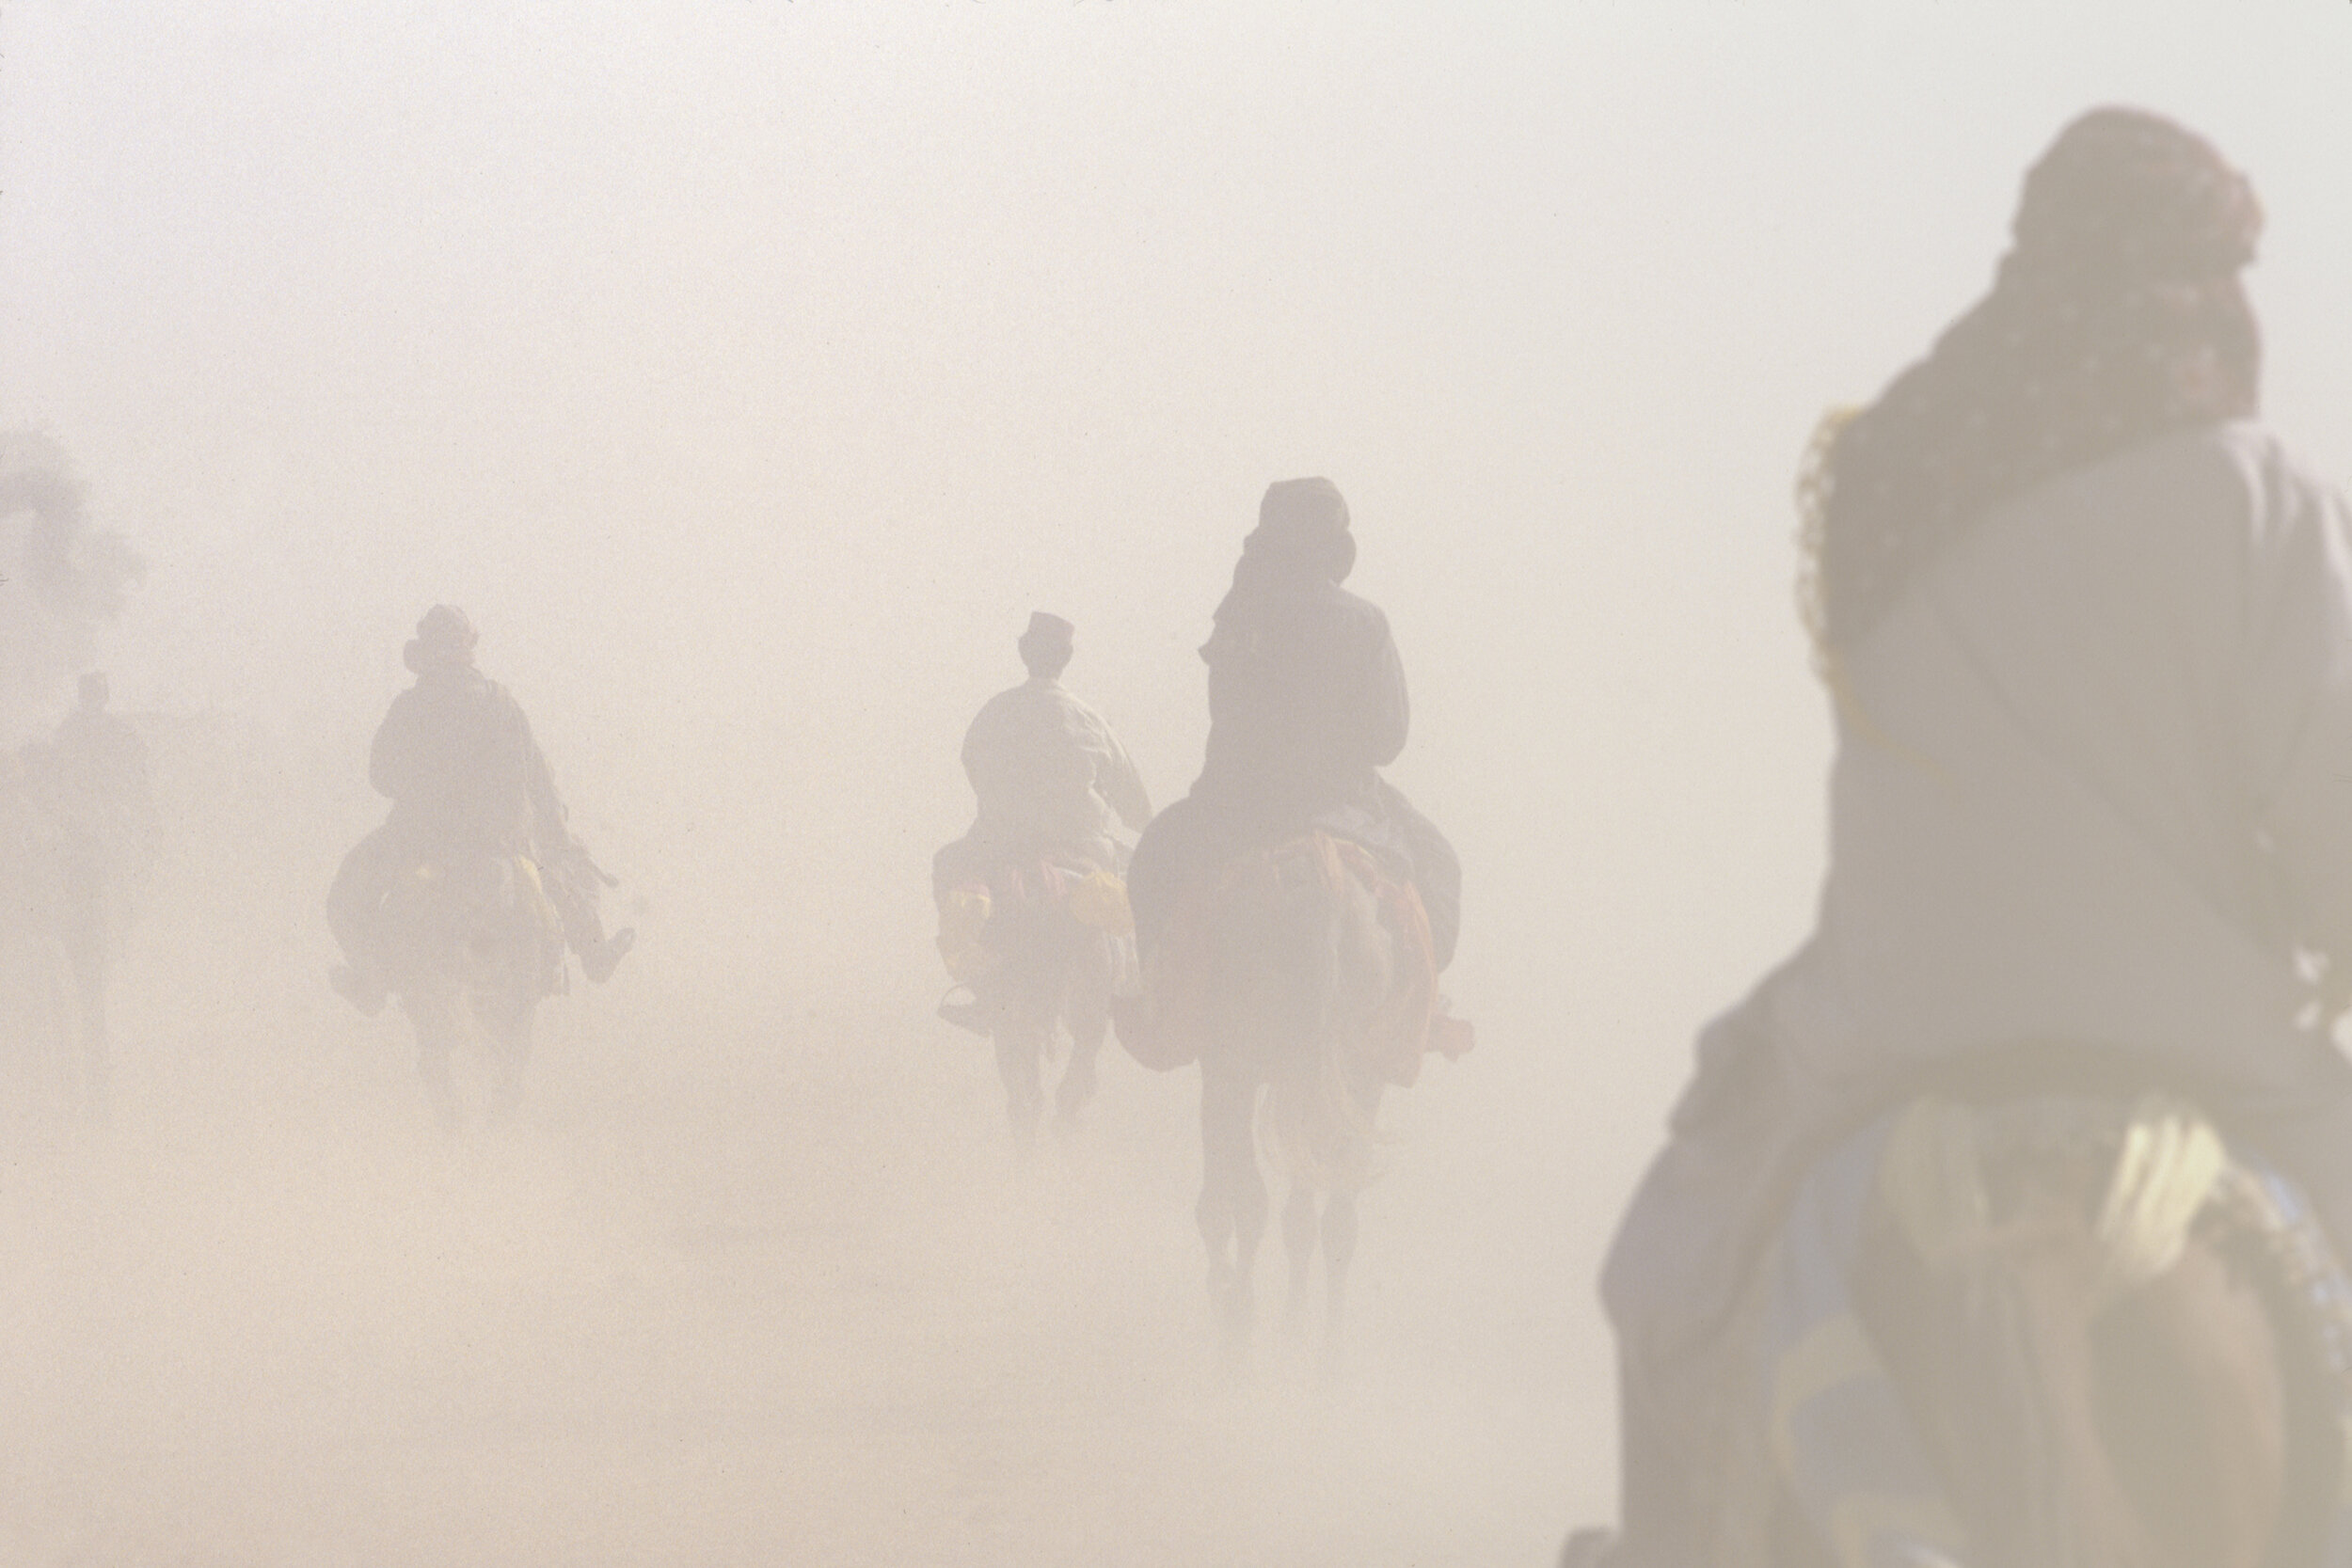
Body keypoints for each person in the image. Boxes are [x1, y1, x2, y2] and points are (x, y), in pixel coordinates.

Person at [1596, 107, 2352, 1562]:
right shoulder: (2267, 504)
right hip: (2212, 1055)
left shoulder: (1906, 488)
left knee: (1662, 1280)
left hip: (1887, 1041)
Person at [1124, 478, 1461, 972]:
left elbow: (1225, 715)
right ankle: (1424, 1002)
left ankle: (1153, 991)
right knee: (1438, 866)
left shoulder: (1241, 615)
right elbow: (1388, 738)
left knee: (1152, 863)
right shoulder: (1366, 620)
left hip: (1240, 803)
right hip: (1347, 808)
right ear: (1335, 548)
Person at [326, 606, 633, 1014]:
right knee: (562, 882)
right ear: (468, 647)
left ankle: (370, 981)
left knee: (346, 895)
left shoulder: (408, 708)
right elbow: (539, 781)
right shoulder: (502, 704)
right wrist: (555, 839)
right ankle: (594, 954)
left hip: (415, 842)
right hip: (500, 844)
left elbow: (380, 779)